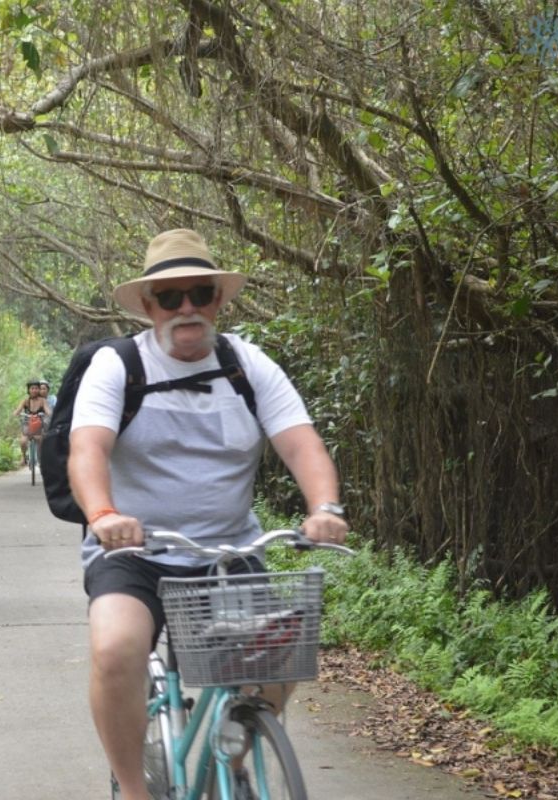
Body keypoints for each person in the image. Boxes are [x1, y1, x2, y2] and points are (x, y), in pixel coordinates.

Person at [67, 228, 349, 800]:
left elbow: (303, 444)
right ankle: (134, 789)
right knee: (117, 648)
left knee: (282, 652)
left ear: (218, 300)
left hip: (230, 550)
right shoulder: (116, 366)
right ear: (149, 307)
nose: (186, 307)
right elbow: (87, 450)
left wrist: (324, 508)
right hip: (135, 552)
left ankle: (238, 746)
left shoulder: (248, 366)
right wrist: (102, 513)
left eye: (199, 293)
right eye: (170, 297)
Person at [13, 379, 51, 465]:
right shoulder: (25, 401)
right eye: (32, 388)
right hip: (27, 424)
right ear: (29, 390)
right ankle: (23, 457)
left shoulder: (43, 401)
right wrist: (16, 413)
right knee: (23, 441)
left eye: (36, 388)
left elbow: (48, 411)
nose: (34, 390)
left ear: (38, 389)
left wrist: (50, 414)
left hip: (39, 425)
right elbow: (17, 411)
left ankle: (41, 457)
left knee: (40, 439)